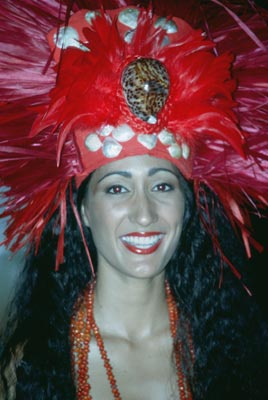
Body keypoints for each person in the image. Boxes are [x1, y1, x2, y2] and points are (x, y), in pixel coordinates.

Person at [0, 0, 268, 399]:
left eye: (162, 186)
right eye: (116, 188)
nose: (144, 214)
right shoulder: (26, 365)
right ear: (84, 210)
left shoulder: (237, 349)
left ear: (187, 203)